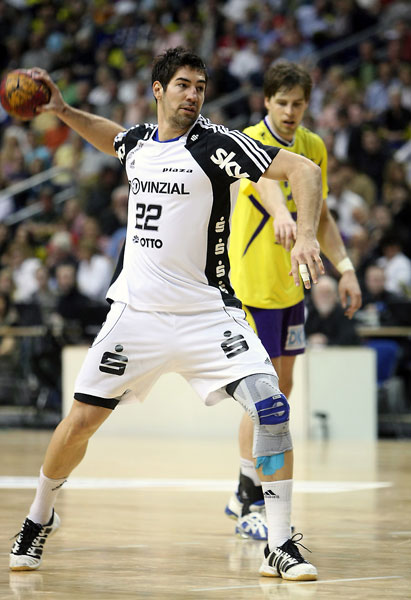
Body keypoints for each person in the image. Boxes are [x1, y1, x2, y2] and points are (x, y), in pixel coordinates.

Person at [10, 47, 325, 581]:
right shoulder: (137, 144)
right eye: (182, 84)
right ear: (158, 89)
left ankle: (279, 543)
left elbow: (304, 170)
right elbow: (111, 137)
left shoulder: (219, 144)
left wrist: (308, 235)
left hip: (207, 314)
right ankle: (39, 516)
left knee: (271, 408)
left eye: (200, 86)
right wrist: (62, 109)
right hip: (137, 315)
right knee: (80, 423)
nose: (193, 94)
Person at [227, 61, 362, 541]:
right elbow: (263, 182)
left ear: (307, 105)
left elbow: (321, 217)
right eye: (281, 102)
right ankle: (248, 496)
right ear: (266, 101)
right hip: (252, 287)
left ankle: (246, 491)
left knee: (282, 389)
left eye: (297, 103)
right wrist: (283, 214)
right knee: (263, 397)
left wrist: (345, 268)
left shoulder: (313, 146)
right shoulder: (246, 140)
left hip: (292, 287)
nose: (289, 111)